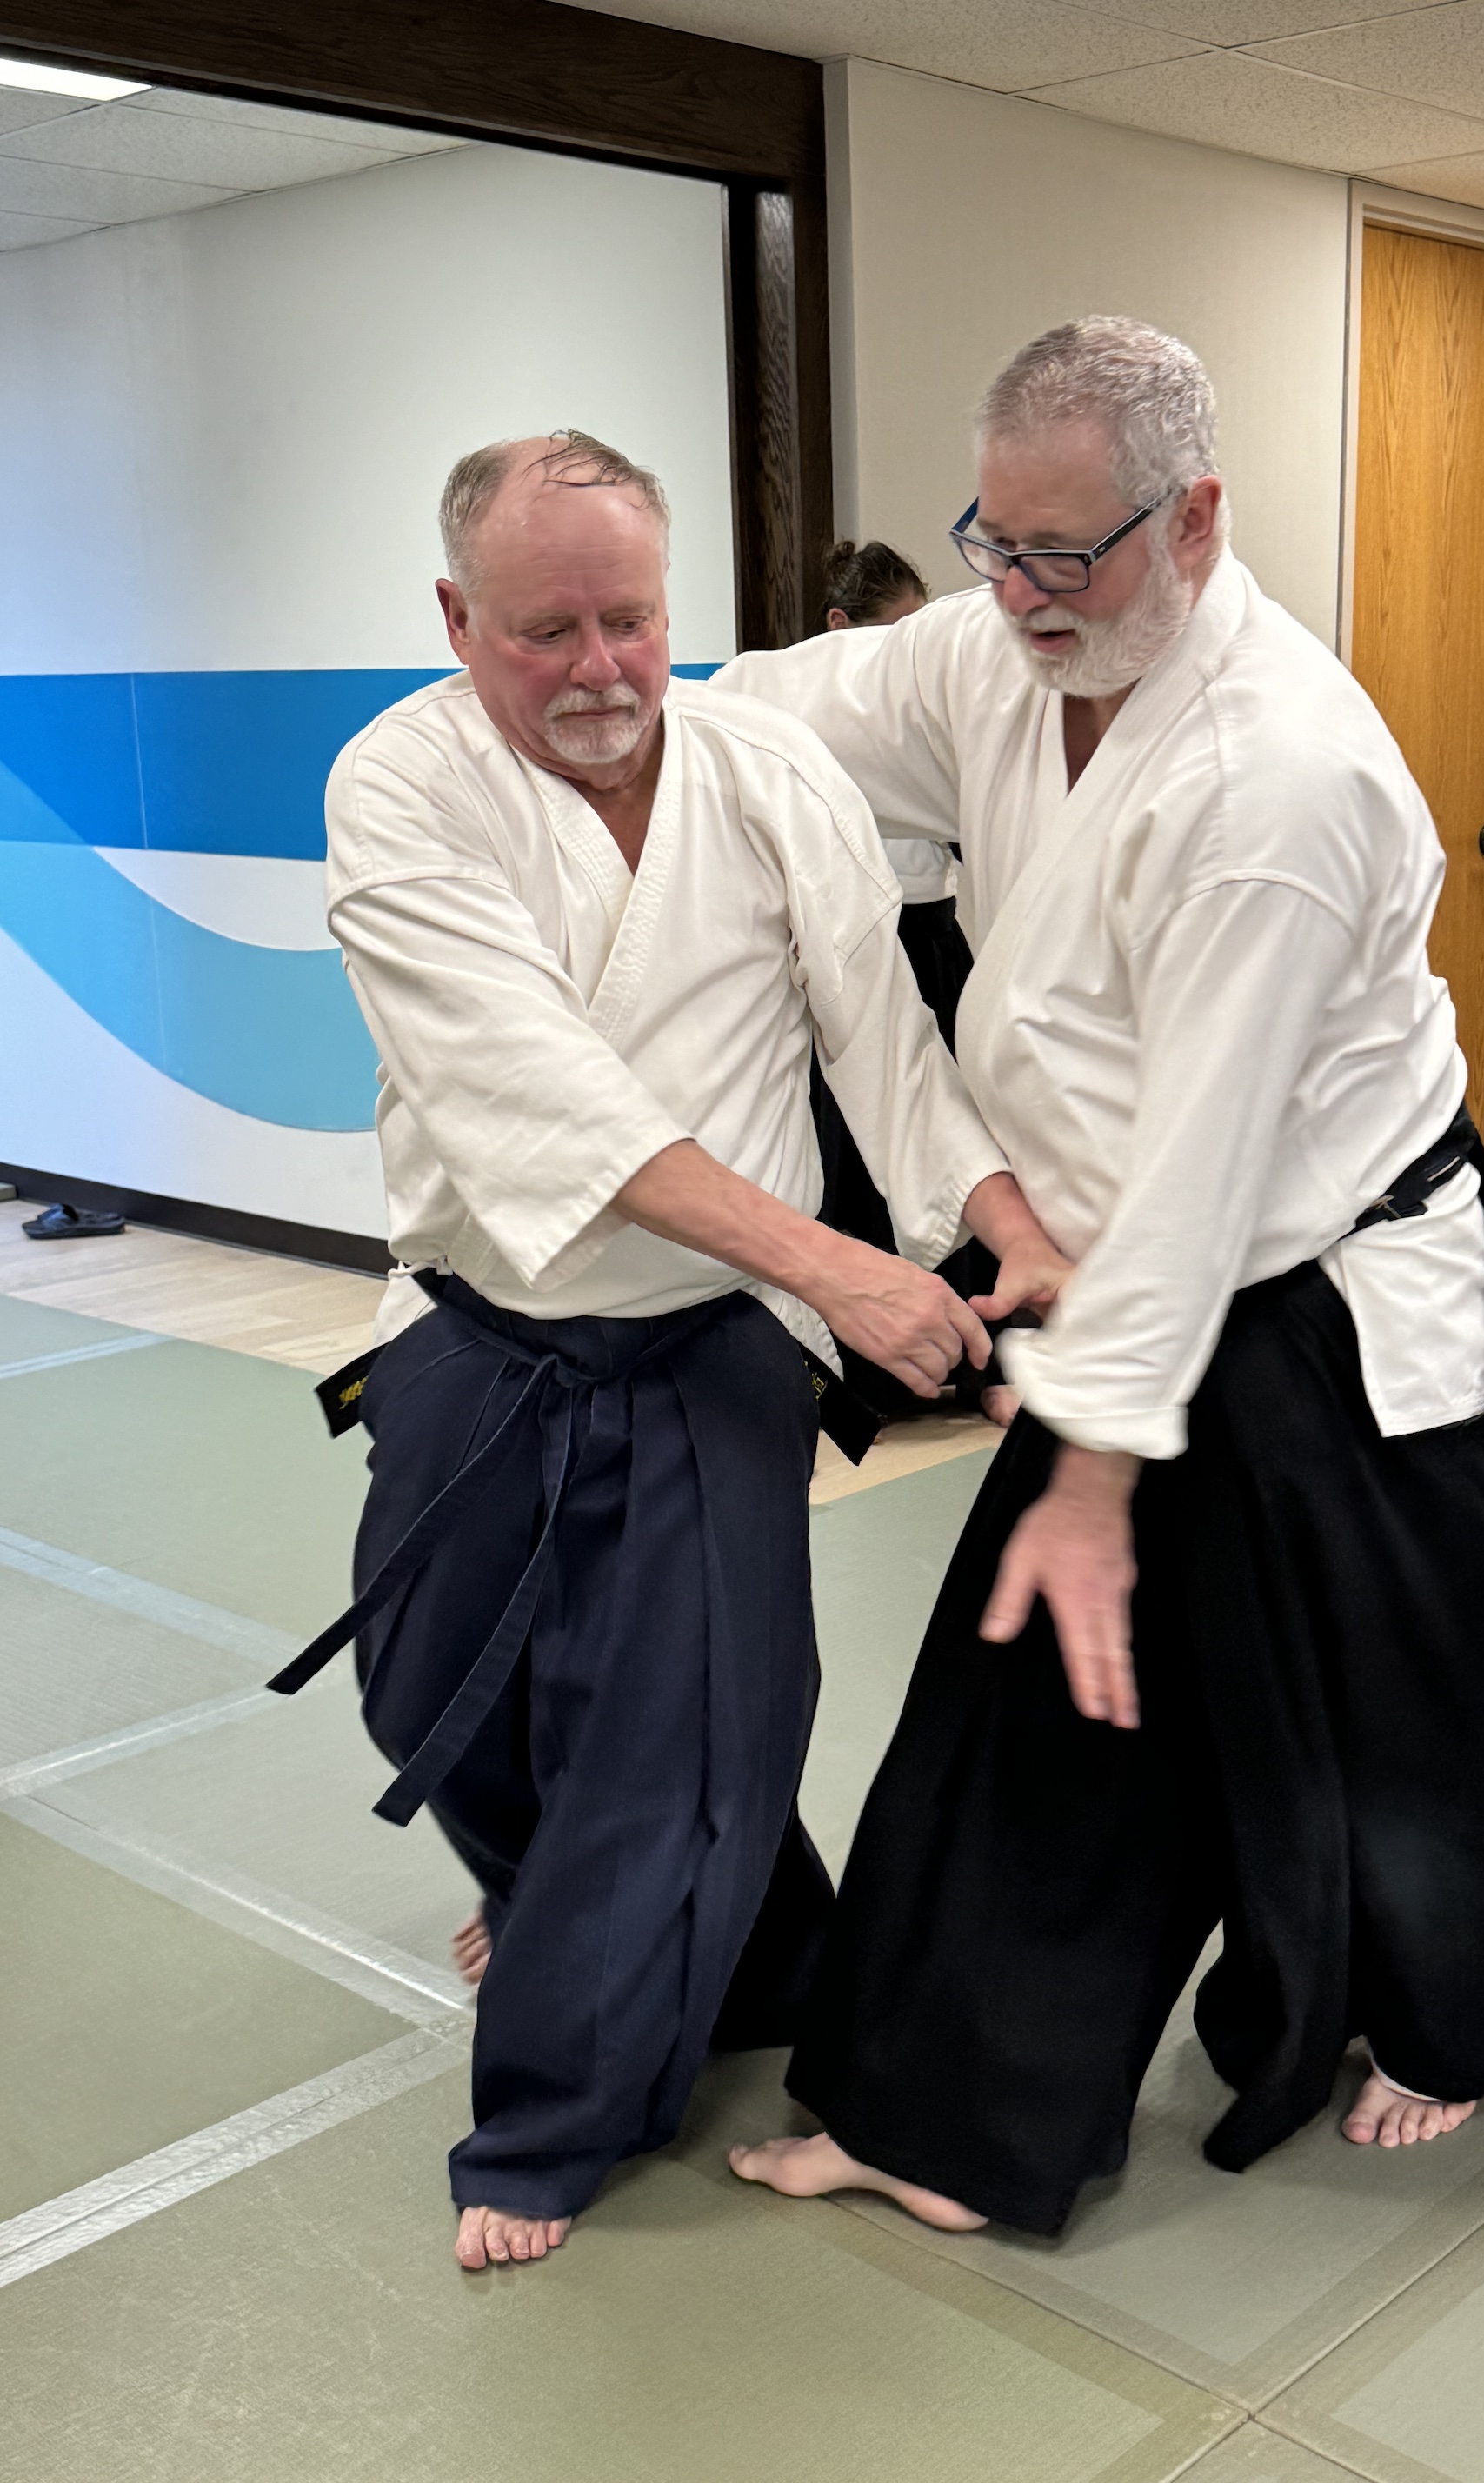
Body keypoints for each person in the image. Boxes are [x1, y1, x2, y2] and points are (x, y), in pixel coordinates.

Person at [719, 320, 1484, 2237]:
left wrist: (1090, 1472)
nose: (1027, 596)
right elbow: (807, 702)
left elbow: (1212, 1178)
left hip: (1335, 1266)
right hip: (1111, 1248)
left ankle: (1460, 2019)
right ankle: (948, 2114)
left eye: (1074, 554)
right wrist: (629, 697)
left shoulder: (1281, 779)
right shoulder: (993, 647)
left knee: (1450, 1677)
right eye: (996, 541)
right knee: (1045, 1679)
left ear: (1197, 517)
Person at [270, 429, 1066, 2270]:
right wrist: (852, 1273)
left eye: (632, 619)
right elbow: (545, 1103)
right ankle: (688, 1935)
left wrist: (989, 1213)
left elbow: (882, 1036)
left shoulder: (766, 766)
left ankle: (559, 2116)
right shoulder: (400, 788)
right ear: (457, 619)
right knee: (428, 1691)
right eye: (547, 630)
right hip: (485, 1325)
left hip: (714, 1342)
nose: (603, 669)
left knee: (689, 1744)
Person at [811, 539, 1015, 1427]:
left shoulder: (938, 718)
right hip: (859, 943)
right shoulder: (808, 729)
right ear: (841, 635)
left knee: (967, 1136)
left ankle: (985, 1352)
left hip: (937, 941)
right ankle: (877, 1367)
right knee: (860, 1163)